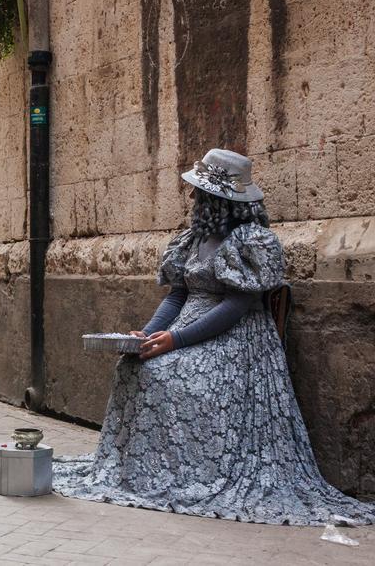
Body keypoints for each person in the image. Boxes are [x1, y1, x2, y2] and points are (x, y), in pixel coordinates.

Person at [53, 149, 375, 526]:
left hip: (236, 339)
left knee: (171, 374)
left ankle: (196, 474)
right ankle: (149, 469)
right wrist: (149, 333)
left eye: (199, 193)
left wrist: (176, 341)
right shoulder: (193, 239)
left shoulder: (253, 241)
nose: (192, 199)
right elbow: (177, 294)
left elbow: (237, 306)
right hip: (185, 328)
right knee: (133, 366)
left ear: (217, 200)